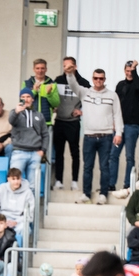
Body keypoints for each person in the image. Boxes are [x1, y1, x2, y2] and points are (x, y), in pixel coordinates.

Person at [64, 61, 122, 205]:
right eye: (95, 78)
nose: (98, 81)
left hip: (106, 136)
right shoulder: (85, 93)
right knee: (87, 166)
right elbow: (73, 86)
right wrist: (70, 73)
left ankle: (103, 194)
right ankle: (86, 194)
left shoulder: (112, 95)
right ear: (92, 78)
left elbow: (117, 115)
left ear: (105, 79)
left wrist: (119, 133)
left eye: (101, 78)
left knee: (104, 167)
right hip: (89, 136)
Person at [109, 60, 139, 193]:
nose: (130, 73)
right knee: (113, 155)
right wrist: (113, 121)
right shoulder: (120, 85)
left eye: (132, 71)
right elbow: (115, 104)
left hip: (132, 126)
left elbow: (137, 87)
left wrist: (135, 70)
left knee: (129, 156)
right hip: (119, 126)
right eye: (128, 71)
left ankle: (128, 185)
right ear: (124, 71)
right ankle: (111, 184)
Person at [52, 59, 87, 191]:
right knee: (59, 153)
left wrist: (82, 111)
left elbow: (90, 98)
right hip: (59, 121)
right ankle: (59, 180)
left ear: (75, 66)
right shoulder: (58, 80)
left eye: (69, 65)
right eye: (64, 65)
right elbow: (52, 97)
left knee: (75, 153)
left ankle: (74, 181)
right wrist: (53, 107)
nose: (66, 68)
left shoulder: (83, 82)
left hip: (73, 123)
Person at [8, 88, 48, 183]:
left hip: (35, 153)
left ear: (32, 99)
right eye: (23, 97)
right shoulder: (15, 113)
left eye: (28, 97)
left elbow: (45, 134)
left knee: (33, 186)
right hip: (19, 152)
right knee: (15, 183)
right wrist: (16, 111)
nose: (26, 99)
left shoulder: (39, 115)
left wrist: (43, 150)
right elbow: (11, 121)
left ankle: (32, 199)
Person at [0, 167, 35, 236]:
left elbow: (30, 215)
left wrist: (16, 222)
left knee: (24, 228)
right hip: (1, 219)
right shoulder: (1, 188)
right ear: (8, 179)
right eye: (13, 179)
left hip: (18, 221)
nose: (16, 182)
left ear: (21, 179)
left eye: (18, 179)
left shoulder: (28, 193)